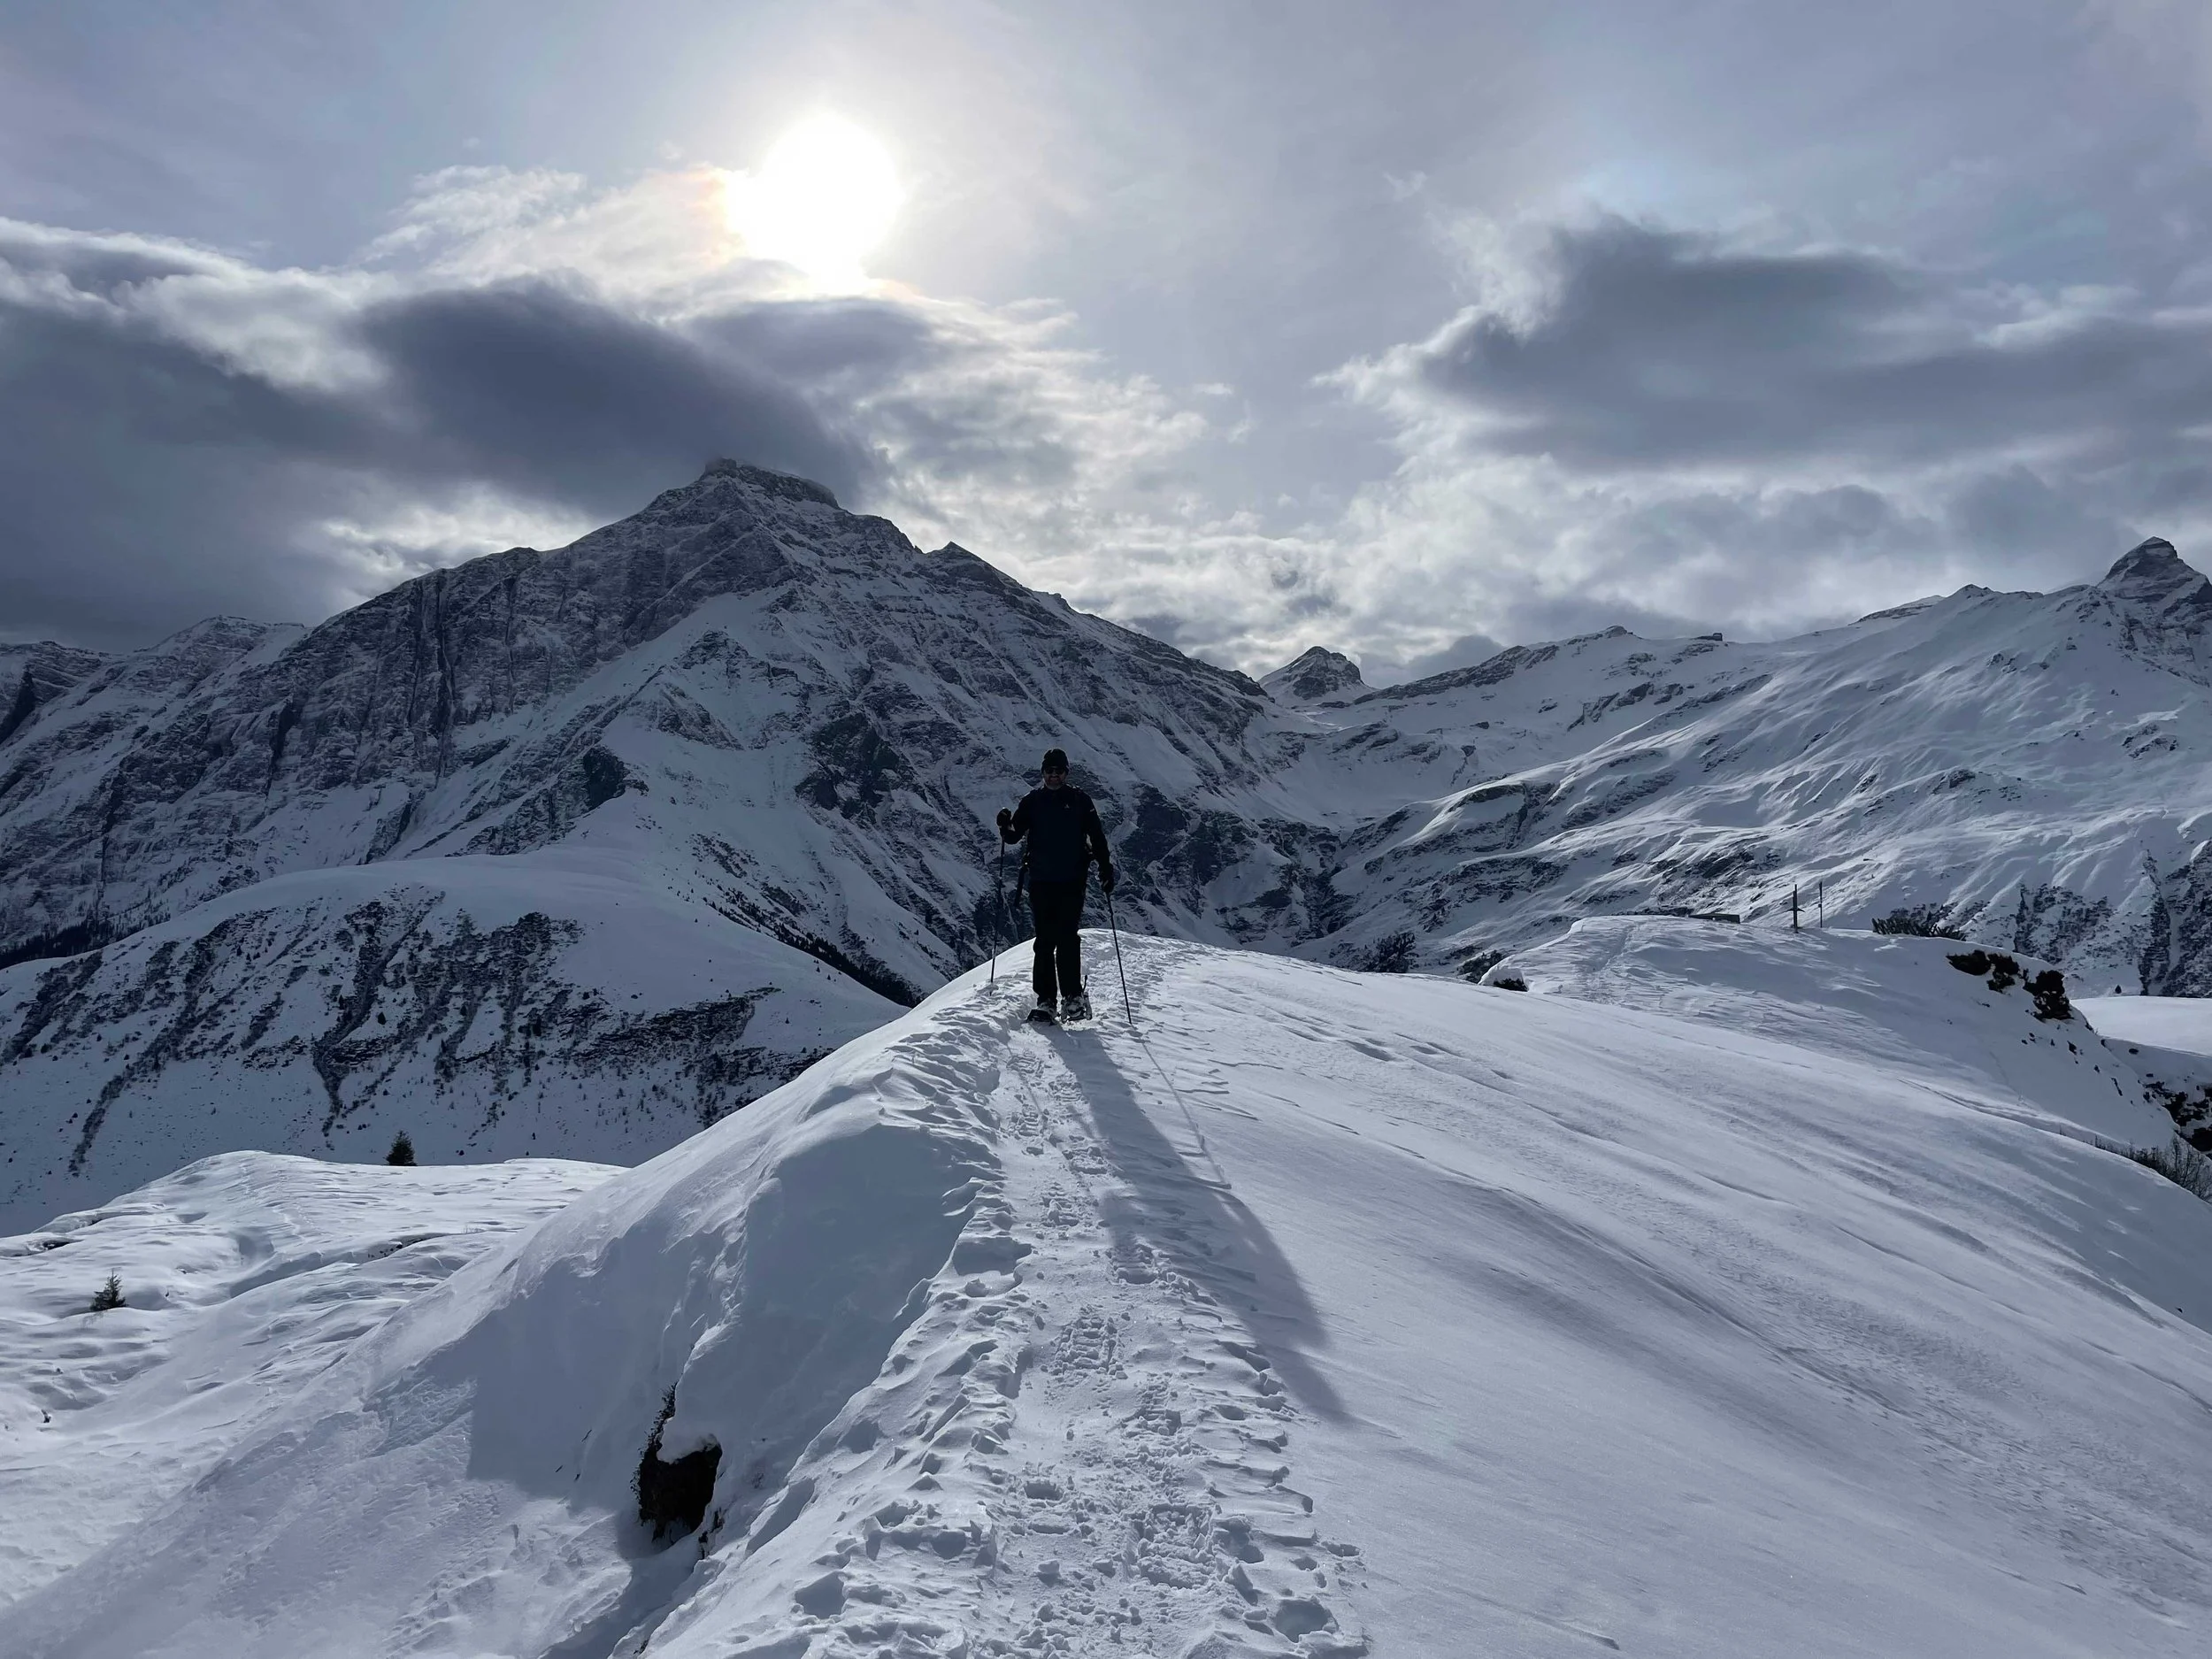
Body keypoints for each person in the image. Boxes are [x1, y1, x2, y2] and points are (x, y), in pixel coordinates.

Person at [996, 748, 1116, 1021]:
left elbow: (1097, 837)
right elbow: (1014, 836)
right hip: (1041, 881)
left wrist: (1106, 868)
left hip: (1072, 880)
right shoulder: (1032, 802)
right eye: (1049, 771)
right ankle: (1047, 999)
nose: (1053, 776)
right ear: (1043, 773)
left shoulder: (1080, 801)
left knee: (1066, 938)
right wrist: (1005, 827)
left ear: (1066, 773)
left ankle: (1071, 996)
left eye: (1058, 771)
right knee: (1045, 941)